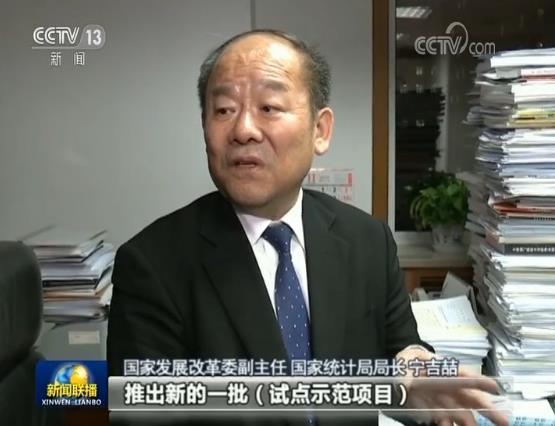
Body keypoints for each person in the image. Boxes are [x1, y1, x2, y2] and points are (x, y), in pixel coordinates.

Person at [107, 29, 507, 426]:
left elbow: (398, 348)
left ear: (320, 130)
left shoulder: (367, 239)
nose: (243, 129)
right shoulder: (152, 265)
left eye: (269, 107)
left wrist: (416, 366)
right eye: (224, 110)